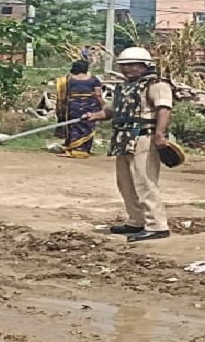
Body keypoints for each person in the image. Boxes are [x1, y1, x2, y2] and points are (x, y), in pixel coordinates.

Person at [83, 46, 174, 242]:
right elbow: (113, 111)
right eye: (124, 65)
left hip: (144, 136)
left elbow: (164, 109)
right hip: (123, 138)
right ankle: (136, 220)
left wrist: (160, 135)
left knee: (145, 181)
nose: (127, 69)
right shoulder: (125, 87)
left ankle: (156, 225)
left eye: (132, 65)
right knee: (125, 182)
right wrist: (94, 116)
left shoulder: (156, 84)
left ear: (145, 65)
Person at [55, 60, 105, 159]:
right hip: (90, 106)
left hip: (73, 106)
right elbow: (98, 95)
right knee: (87, 127)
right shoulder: (94, 80)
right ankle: (82, 149)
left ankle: (73, 148)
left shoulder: (69, 80)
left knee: (74, 127)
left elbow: (65, 94)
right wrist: (103, 105)